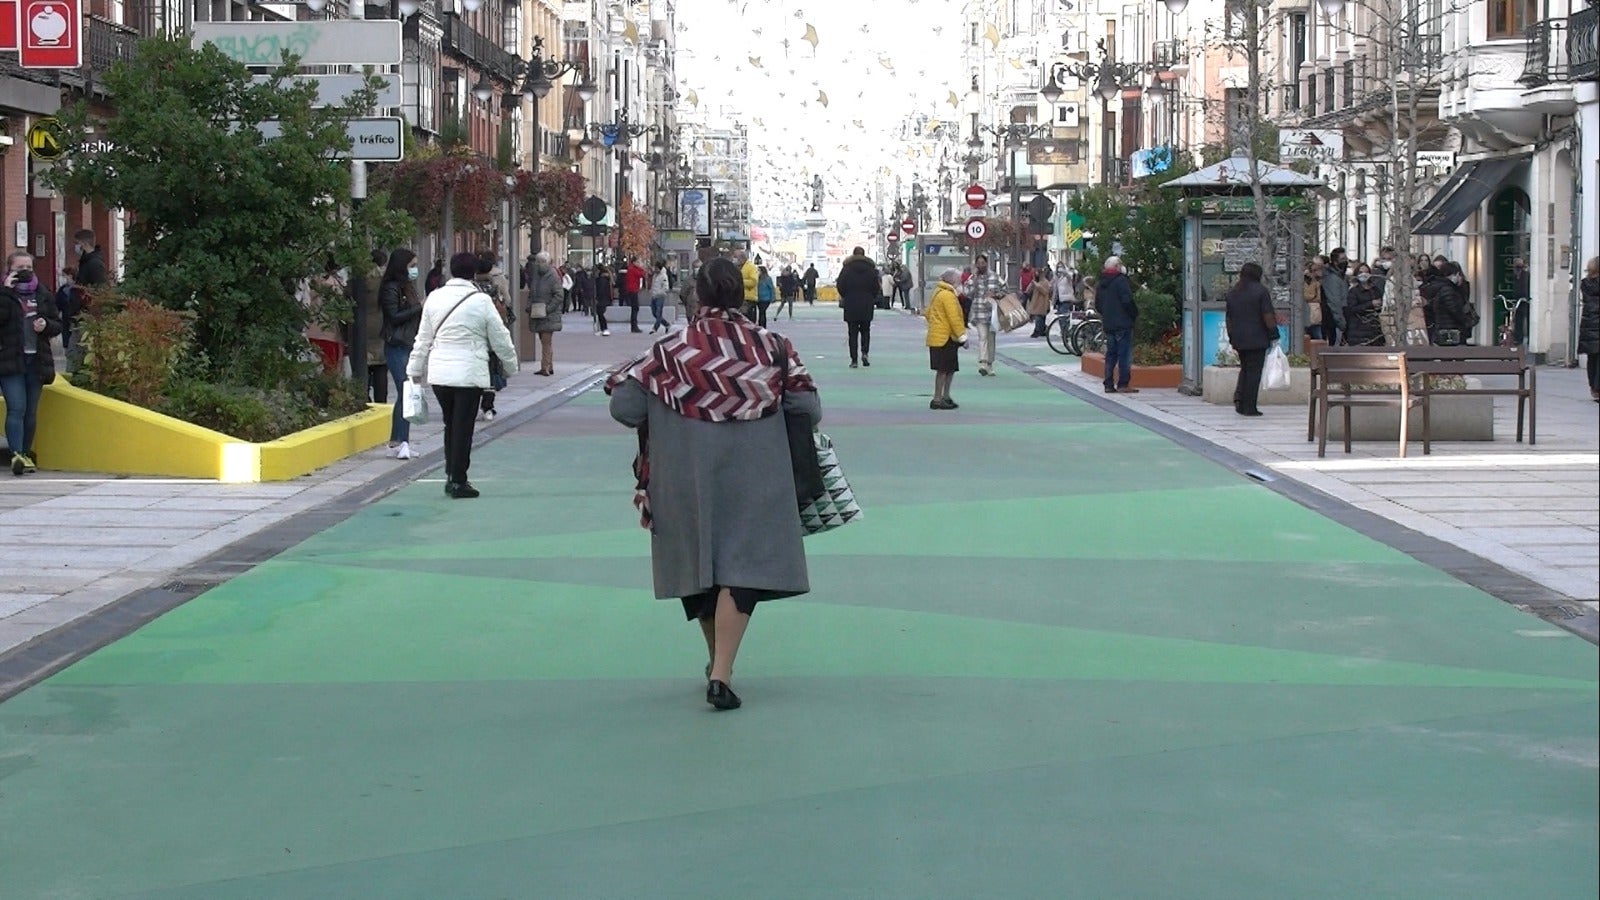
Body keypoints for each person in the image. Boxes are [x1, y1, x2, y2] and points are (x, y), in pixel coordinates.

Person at [606, 257, 822, 711]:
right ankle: (720, 669)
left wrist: (677, 399)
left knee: (702, 566)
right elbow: (808, 410)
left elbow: (625, 409)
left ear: (698, 297)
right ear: (740, 296)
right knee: (743, 568)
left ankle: (717, 663)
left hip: (684, 477)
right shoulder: (772, 346)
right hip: (759, 475)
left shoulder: (667, 352)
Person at [408, 252, 518, 499]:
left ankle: (451, 474)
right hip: (469, 373)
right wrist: (511, 366)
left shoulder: (434, 298)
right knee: (463, 427)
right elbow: (499, 337)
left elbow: (423, 337)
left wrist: (414, 369)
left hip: (440, 374)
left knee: (451, 424)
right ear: (474, 273)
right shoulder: (481, 301)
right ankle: (458, 479)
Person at [1, 252, 61, 475]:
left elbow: (57, 323)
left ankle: (25, 453)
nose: (25, 270)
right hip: (11, 361)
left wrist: (45, 325)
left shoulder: (42, 293)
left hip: (36, 360)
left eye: (28, 266)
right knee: (16, 407)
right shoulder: (4, 294)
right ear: (9, 270)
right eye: (19, 267)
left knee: (30, 412)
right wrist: (6, 292)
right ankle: (16, 454)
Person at [379, 249, 423, 460]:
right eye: (411, 265)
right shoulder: (391, 288)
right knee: (405, 390)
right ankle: (401, 441)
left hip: (408, 343)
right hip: (396, 344)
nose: (414, 269)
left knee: (406, 392)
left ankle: (397, 440)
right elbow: (394, 316)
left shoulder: (407, 286)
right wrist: (418, 308)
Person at [1224, 262, 1279, 417]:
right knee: (1254, 372)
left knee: (1245, 368)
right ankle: (1249, 406)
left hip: (1239, 337)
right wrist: (1273, 333)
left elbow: (1228, 317)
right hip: (1257, 337)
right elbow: (1267, 314)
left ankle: (1240, 399)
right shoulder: (1261, 291)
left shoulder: (1233, 292)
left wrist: (1231, 336)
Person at [474, 252, 514, 419]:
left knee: (475, 372)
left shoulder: (470, 287)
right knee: (491, 370)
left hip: (475, 336)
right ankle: (488, 407)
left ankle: (473, 404)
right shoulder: (497, 285)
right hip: (492, 335)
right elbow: (508, 301)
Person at [1097, 256, 1140, 394]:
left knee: (1111, 354)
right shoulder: (1120, 281)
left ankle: (1108, 384)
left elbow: (1098, 304)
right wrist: (1134, 314)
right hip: (1123, 323)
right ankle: (1123, 383)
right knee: (1124, 354)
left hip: (1109, 323)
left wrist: (1107, 314)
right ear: (1117, 267)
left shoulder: (1102, 282)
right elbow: (1127, 300)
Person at [925, 269, 966, 409]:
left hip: (938, 336)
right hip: (946, 337)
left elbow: (928, 313)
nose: (960, 283)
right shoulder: (948, 296)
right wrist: (962, 336)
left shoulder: (937, 292)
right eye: (959, 281)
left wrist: (936, 323)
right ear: (952, 281)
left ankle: (945, 396)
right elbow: (954, 318)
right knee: (944, 370)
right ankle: (938, 398)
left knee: (948, 369)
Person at [836, 246, 879, 368]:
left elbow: (840, 285)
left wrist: (846, 296)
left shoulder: (846, 269)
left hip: (851, 303)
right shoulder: (871, 269)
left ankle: (854, 360)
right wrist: (871, 297)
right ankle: (865, 353)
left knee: (852, 333)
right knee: (866, 330)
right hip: (866, 303)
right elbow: (876, 287)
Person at [525, 251, 563, 376]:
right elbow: (532, 292)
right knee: (544, 341)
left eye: (542, 262)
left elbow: (559, 295)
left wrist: (548, 308)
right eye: (538, 261)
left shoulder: (553, 276)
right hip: (537, 313)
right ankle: (549, 365)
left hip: (548, 314)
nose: (539, 264)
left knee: (546, 341)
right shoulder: (537, 276)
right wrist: (529, 306)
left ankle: (545, 367)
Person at [966, 253, 1004, 376]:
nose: (981, 265)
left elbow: (1004, 288)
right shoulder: (973, 278)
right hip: (979, 312)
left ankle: (990, 364)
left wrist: (997, 295)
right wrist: (974, 284)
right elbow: (967, 292)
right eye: (979, 263)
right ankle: (983, 363)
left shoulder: (995, 276)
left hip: (992, 313)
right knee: (983, 337)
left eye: (983, 263)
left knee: (991, 339)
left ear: (986, 263)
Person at [359, 249, 387, 404]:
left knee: (362, 372)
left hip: (360, 331)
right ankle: (380, 405)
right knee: (380, 371)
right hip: (380, 330)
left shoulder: (357, 281)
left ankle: (364, 400)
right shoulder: (383, 282)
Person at [1430, 261, 1474, 346]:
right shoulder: (1448, 290)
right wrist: (1466, 321)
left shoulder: (1440, 287)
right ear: (1455, 274)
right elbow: (1455, 310)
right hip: (1450, 330)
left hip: (1443, 327)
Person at [1343, 263, 1385, 346]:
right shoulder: (1353, 291)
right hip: (1358, 328)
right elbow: (1351, 309)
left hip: (1374, 327)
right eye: (1361, 272)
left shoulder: (1375, 289)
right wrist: (1370, 304)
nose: (1364, 274)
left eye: (1366, 272)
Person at [1579, 256, 1599, 402]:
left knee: (1592, 358)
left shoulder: (1585, 283)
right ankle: (1597, 387)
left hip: (1588, 324)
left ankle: (1593, 387)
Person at [1318, 253, 1348, 346]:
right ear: (1335, 262)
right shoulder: (1332, 278)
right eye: (1342, 259)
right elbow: (1334, 302)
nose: (1345, 261)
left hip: (1337, 317)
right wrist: (1341, 322)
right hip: (1333, 320)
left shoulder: (1340, 276)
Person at [623, 255, 648, 333]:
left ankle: (634, 326)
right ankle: (634, 326)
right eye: (638, 262)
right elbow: (642, 274)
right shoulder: (633, 269)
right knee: (635, 308)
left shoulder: (631, 268)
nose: (639, 263)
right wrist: (642, 268)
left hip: (632, 290)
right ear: (634, 262)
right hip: (632, 290)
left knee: (635, 308)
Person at [1026, 268, 1053, 337]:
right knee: (1039, 317)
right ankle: (1041, 330)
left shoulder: (1045, 282)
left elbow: (1044, 291)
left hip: (1042, 303)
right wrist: (1031, 285)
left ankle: (1038, 331)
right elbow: (1028, 290)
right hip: (1036, 302)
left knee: (1040, 317)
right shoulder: (1036, 282)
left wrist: (1037, 285)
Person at [649, 259, 673, 334]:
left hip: (660, 296)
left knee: (658, 313)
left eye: (656, 268)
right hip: (654, 296)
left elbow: (666, 287)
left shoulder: (664, 276)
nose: (655, 269)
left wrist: (659, 293)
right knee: (654, 313)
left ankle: (655, 328)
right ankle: (667, 324)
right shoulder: (655, 275)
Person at [1302, 262, 1324, 341]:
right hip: (1303, 310)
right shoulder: (1301, 283)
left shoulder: (1317, 283)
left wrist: (1309, 298)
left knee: (1317, 334)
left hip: (1314, 312)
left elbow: (1318, 298)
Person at [592, 263, 613, 336]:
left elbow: (601, 290)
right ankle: (602, 329)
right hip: (603, 298)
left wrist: (597, 298)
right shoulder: (603, 278)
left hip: (602, 298)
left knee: (601, 313)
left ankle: (605, 328)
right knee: (600, 313)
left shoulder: (602, 279)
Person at [738, 250, 760, 319]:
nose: (735, 260)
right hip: (741, 298)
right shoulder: (740, 267)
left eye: (737, 258)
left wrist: (740, 282)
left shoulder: (751, 267)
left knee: (748, 320)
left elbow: (753, 281)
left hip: (748, 298)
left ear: (742, 258)